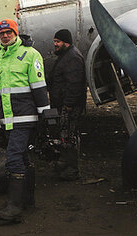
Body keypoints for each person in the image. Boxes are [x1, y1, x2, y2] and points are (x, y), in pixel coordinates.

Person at [0, 19, 49, 223]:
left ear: (16, 33)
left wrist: (45, 115)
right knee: (23, 158)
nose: (5, 36)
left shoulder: (30, 54)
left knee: (12, 158)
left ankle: (14, 207)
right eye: (1, 34)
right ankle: (26, 200)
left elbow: (39, 87)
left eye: (8, 32)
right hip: (8, 119)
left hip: (26, 116)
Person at [47, 29, 87, 181]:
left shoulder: (72, 58)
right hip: (63, 104)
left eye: (58, 42)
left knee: (69, 138)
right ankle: (65, 164)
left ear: (66, 42)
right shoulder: (66, 55)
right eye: (55, 41)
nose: (55, 44)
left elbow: (75, 84)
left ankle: (72, 170)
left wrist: (68, 105)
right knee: (64, 136)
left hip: (69, 107)